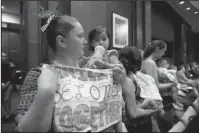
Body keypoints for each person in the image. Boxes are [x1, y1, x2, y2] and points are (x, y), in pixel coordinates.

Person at [14, 14, 129, 132]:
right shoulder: (38, 75)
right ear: (62, 41)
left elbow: (117, 117)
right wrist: (46, 92)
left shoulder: (94, 72)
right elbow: (24, 128)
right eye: (80, 36)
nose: (84, 41)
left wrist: (119, 82)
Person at [119, 46, 164, 132]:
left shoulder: (136, 75)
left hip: (144, 122)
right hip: (136, 126)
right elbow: (132, 113)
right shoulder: (128, 79)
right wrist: (151, 107)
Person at [142, 40, 177, 107]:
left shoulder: (149, 61)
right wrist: (173, 84)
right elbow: (155, 86)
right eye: (163, 51)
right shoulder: (150, 62)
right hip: (151, 98)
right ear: (157, 49)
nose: (163, 54)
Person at [1, 52, 16, 121]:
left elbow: (12, 77)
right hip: (1, 84)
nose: (3, 58)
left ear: (7, 57)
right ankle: (7, 113)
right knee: (3, 101)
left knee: (6, 99)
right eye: (2, 56)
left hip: (9, 84)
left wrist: (6, 84)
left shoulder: (11, 65)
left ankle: (8, 114)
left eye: (5, 56)